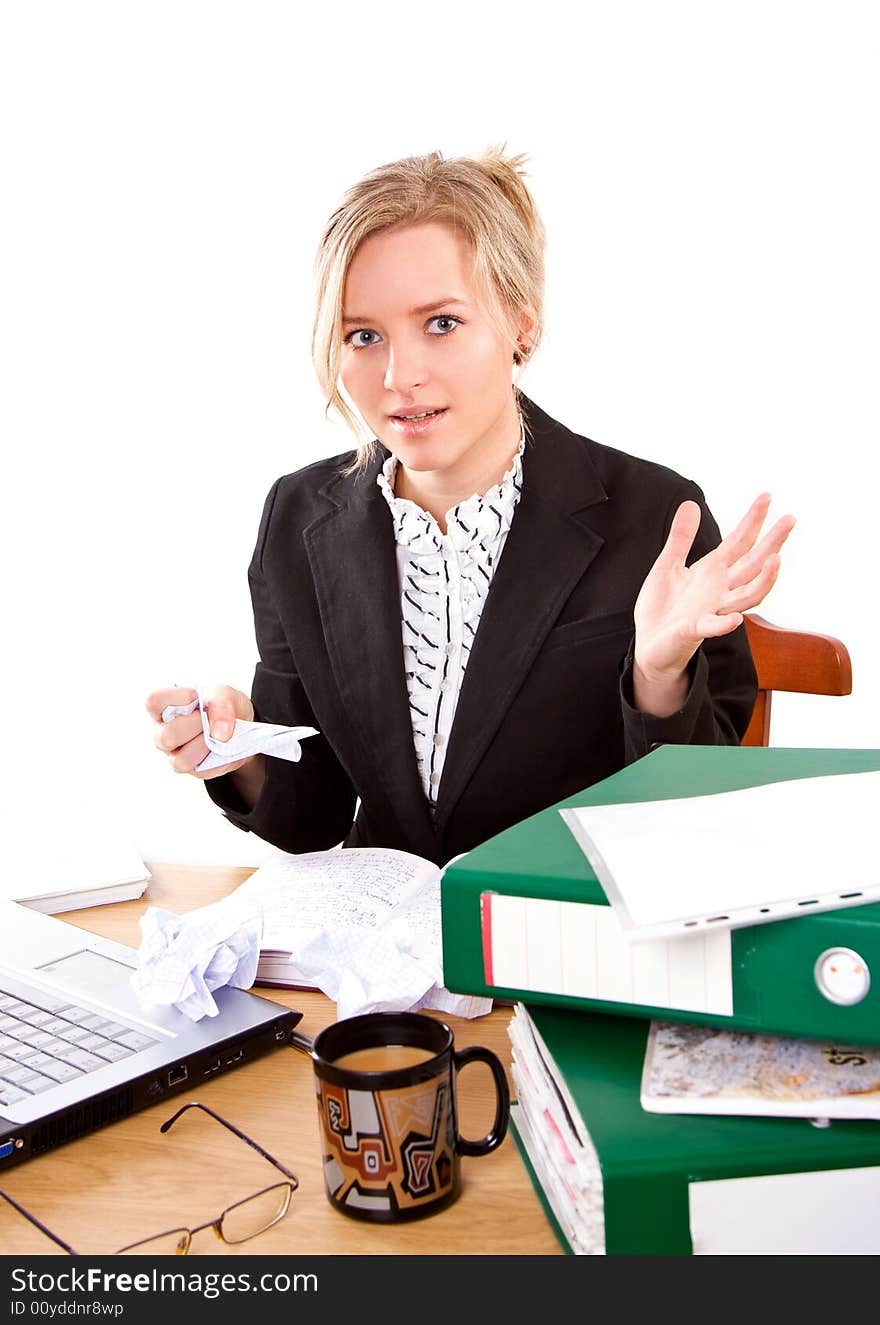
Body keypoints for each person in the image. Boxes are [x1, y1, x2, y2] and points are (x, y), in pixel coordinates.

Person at [147, 147, 794, 868]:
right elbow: (312, 815)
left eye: (442, 323)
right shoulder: (299, 518)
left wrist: (657, 673)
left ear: (521, 323)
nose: (399, 376)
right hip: (386, 958)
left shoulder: (654, 519)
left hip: (562, 948)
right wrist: (238, 748)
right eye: (364, 335)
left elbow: (690, 835)